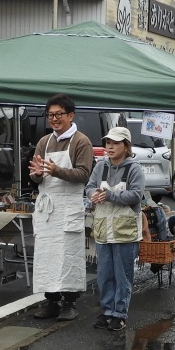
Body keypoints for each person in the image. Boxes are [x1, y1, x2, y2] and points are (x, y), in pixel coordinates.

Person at [29, 94, 96, 321]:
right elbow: (37, 176)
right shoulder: (44, 142)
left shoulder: (81, 141)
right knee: (47, 256)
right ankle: (51, 301)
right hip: (48, 208)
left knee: (69, 256)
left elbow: (84, 174)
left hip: (68, 205)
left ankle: (70, 303)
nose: (55, 119)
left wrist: (56, 170)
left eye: (59, 114)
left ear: (71, 115)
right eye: (50, 115)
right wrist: (37, 174)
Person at [87, 125, 145, 331]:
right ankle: (107, 311)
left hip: (125, 231)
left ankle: (119, 314)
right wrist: (92, 195)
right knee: (104, 274)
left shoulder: (134, 168)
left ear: (126, 146)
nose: (110, 147)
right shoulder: (100, 166)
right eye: (108, 143)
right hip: (103, 229)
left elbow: (136, 195)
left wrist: (111, 195)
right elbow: (89, 187)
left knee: (123, 275)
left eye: (115, 143)